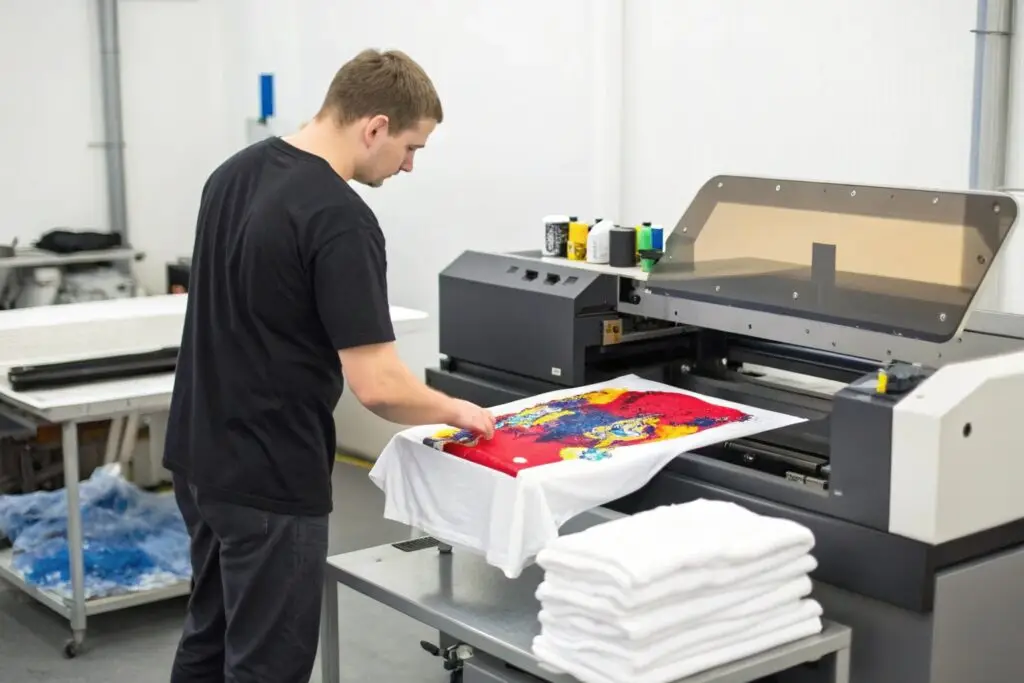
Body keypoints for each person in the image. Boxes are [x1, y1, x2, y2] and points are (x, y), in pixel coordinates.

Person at [163, 48, 495, 683]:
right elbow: (377, 386)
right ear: (373, 126)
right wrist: (460, 410)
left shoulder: (233, 172)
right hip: (269, 476)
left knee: (209, 637)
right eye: (409, 146)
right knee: (268, 664)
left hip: (199, 458)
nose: (410, 165)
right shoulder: (340, 219)